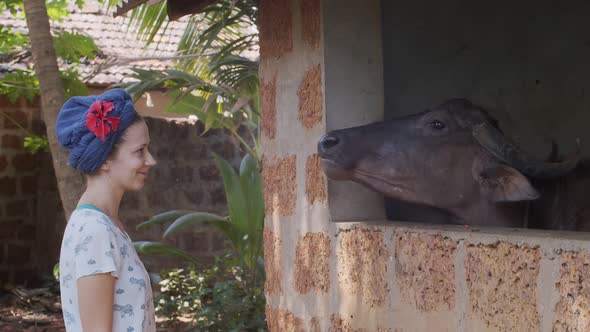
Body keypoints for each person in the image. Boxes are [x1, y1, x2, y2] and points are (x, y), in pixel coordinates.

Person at [56, 89, 157, 331]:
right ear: (104, 160)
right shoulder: (95, 231)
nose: (150, 160)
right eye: (139, 151)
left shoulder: (105, 225)